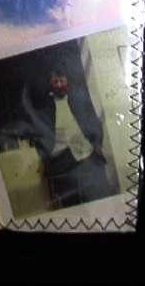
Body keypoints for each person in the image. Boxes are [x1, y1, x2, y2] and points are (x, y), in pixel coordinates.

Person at [24, 41, 112, 209]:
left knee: (104, 202)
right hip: (62, 165)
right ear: (50, 84)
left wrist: (96, 145)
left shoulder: (79, 100)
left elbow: (93, 122)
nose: (59, 85)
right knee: (74, 210)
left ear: (67, 81)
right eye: (55, 81)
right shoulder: (46, 108)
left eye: (62, 81)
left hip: (88, 158)